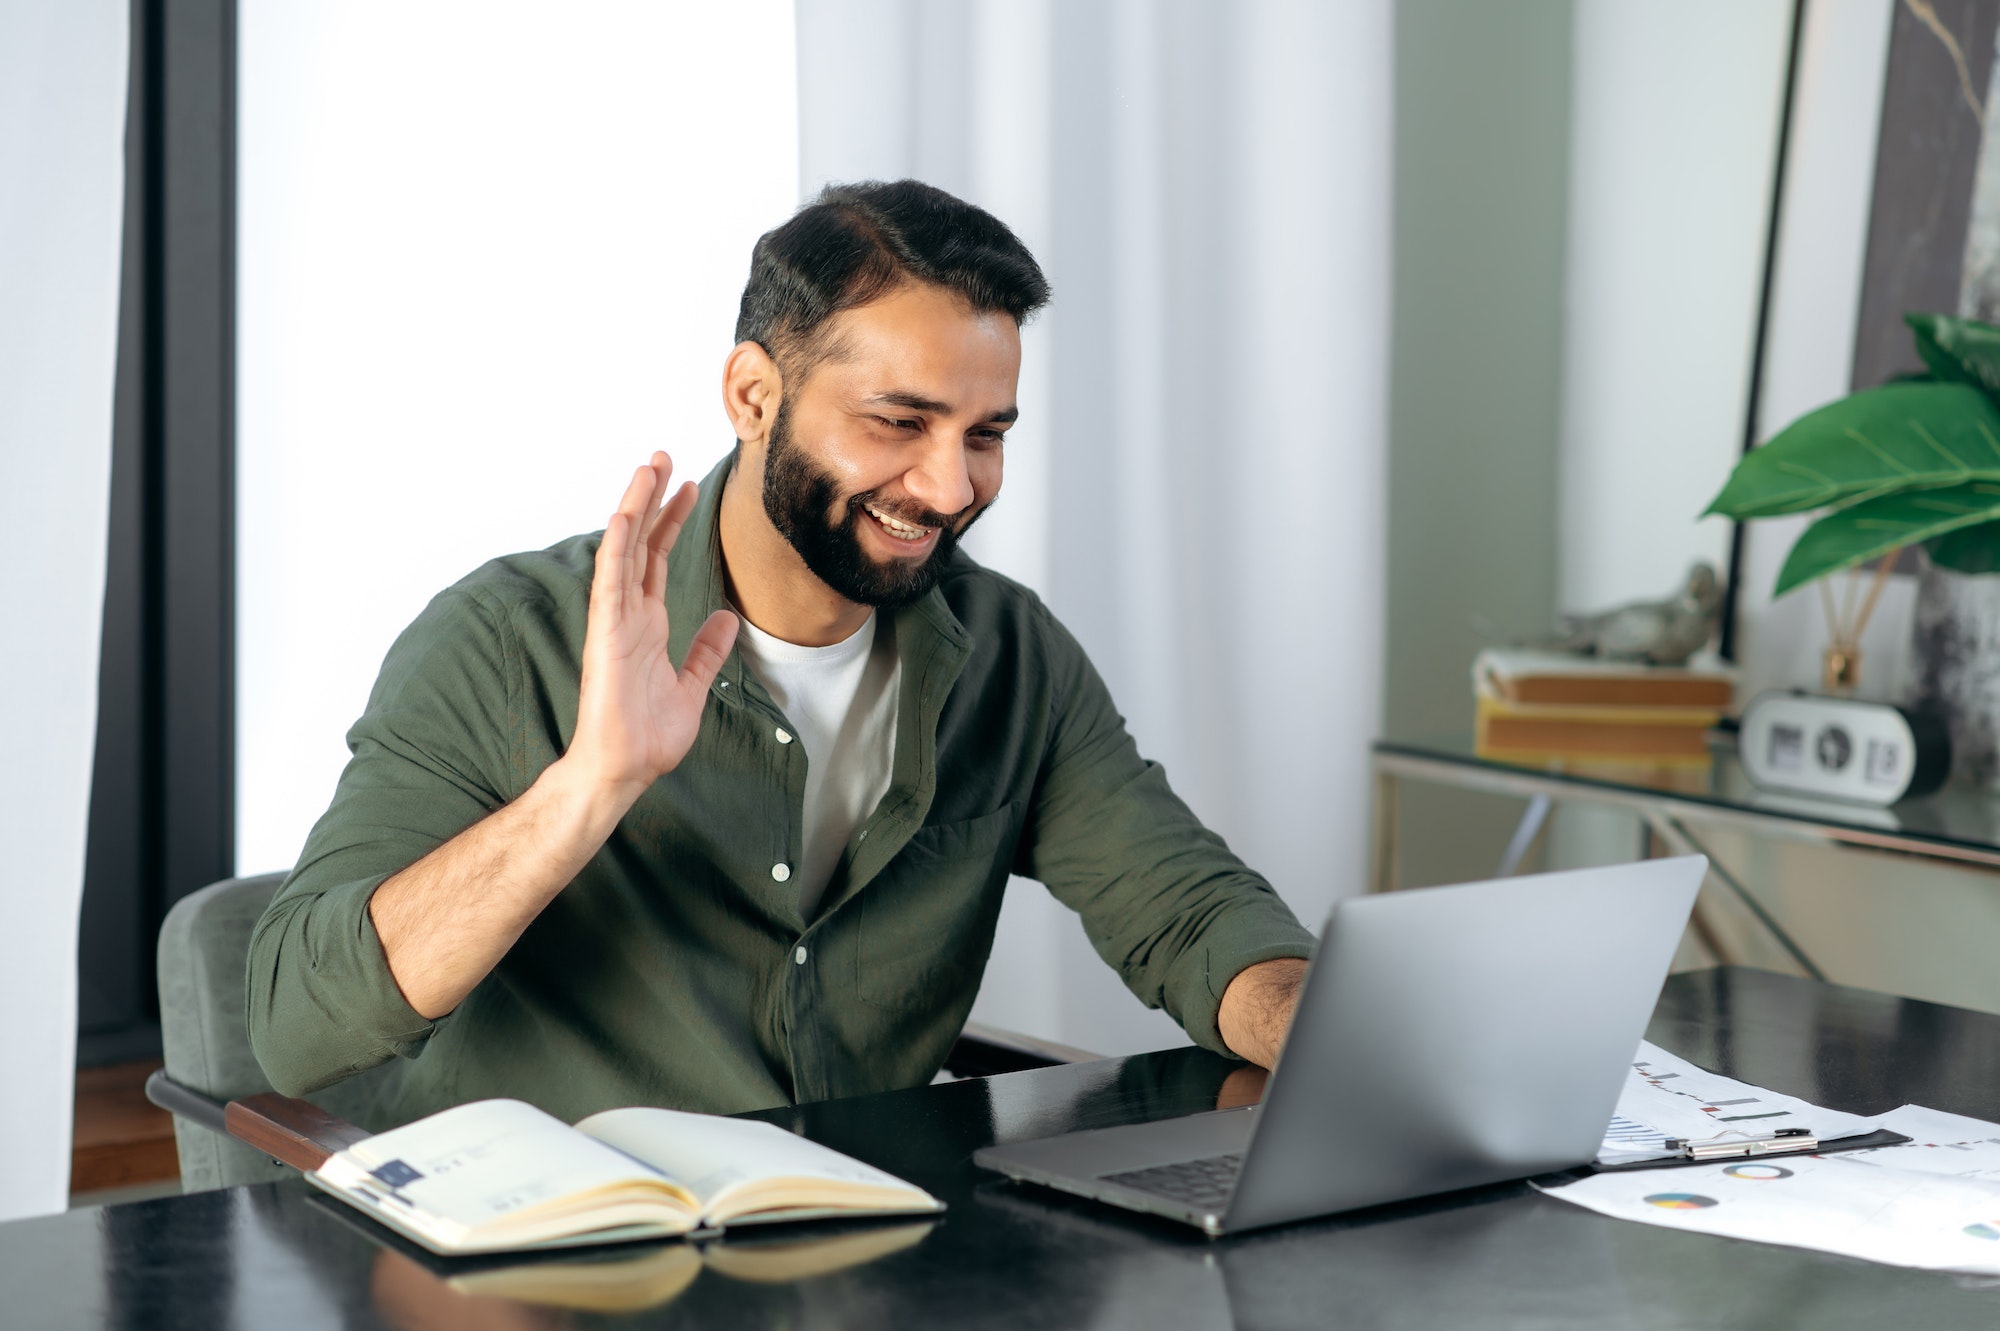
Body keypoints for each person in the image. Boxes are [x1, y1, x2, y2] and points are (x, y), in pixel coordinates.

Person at [247, 179, 1315, 1125]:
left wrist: (1328, 1035)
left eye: (984, 435)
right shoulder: (504, 640)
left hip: (865, 1255)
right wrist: (589, 786)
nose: (949, 490)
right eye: (899, 421)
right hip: (550, 1265)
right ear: (754, 395)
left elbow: (1185, 911)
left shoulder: (1007, 652)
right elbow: (298, 1029)